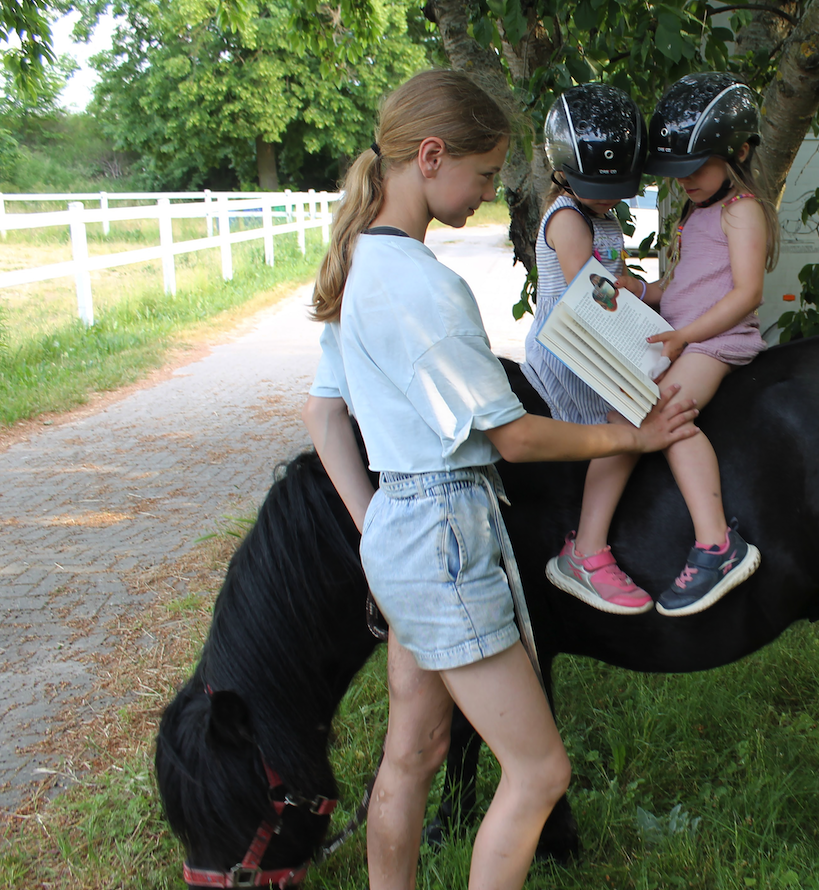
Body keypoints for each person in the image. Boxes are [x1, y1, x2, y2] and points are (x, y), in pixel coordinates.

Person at [301, 70, 700, 890]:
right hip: (444, 536)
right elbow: (512, 438)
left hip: (401, 533)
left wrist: (375, 526)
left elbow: (324, 417)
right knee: (538, 773)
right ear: (432, 156)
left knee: (410, 753)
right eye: (484, 175)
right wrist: (630, 433)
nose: (487, 194)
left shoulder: (358, 269)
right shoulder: (422, 284)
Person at [548, 72, 777, 619]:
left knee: (667, 412)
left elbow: (747, 293)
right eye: (679, 172)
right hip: (684, 337)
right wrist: (642, 290)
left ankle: (717, 544)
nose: (688, 180)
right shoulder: (697, 213)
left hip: (716, 342)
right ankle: (586, 549)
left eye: (698, 167)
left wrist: (685, 337)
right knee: (622, 413)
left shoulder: (740, 209)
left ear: (740, 152)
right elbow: (681, 290)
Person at [523, 83, 662, 615]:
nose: (616, 200)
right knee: (622, 429)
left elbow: (619, 280)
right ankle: (587, 550)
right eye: (605, 189)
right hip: (574, 351)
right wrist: (628, 294)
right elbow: (592, 290)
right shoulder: (566, 218)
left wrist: (653, 294)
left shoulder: (601, 215)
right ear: (565, 173)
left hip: (602, 339)